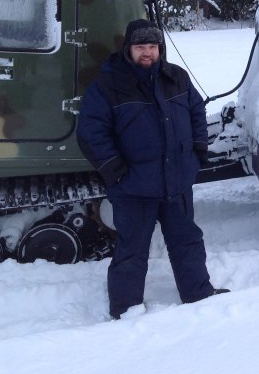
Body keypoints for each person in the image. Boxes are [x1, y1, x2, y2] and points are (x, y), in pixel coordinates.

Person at [77, 19, 228, 319]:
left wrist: (197, 152)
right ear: (128, 49)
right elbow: (91, 133)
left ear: (160, 48)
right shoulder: (109, 85)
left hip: (176, 183)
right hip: (134, 188)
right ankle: (125, 308)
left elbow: (197, 112)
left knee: (187, 241)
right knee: (131, 250)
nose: (147, 53)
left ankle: (198, 293)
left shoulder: (177, 78)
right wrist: (116, 170)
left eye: (152, 46)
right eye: (140, 47)